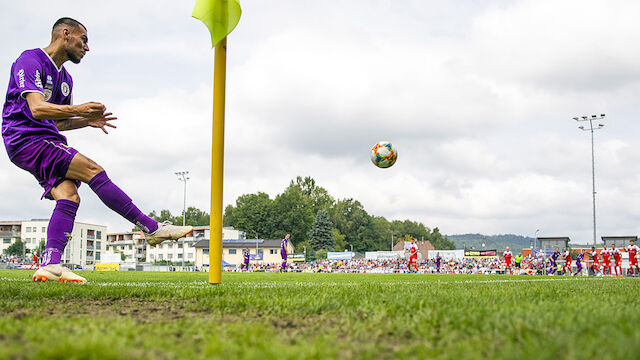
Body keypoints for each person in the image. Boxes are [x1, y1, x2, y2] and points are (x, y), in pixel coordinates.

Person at [2, 18, 193, 283]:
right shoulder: (31, 59)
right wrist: (80, 109)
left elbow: (58, 121)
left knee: (69, 196)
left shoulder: (65, 79)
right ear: (66, 34)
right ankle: (151, 228)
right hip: (24, 137)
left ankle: (51, 264)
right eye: (84, 39)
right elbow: (36, 108)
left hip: (46, 138)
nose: (87, 47)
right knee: (93, 170)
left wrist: (85, 121)